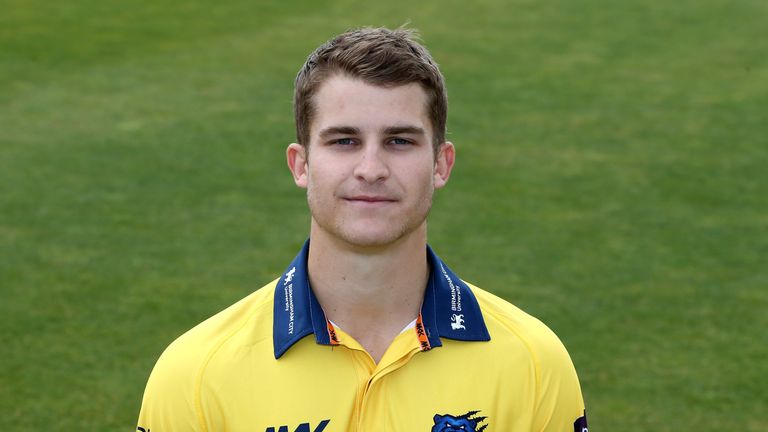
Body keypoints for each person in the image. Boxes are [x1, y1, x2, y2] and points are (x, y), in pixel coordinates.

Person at [137, 27, 588, 432]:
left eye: (399, 141)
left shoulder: (533, 364)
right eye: (344, 141)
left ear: (440, 164)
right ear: (301, 164)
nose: (371, 169)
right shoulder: (195, 374)